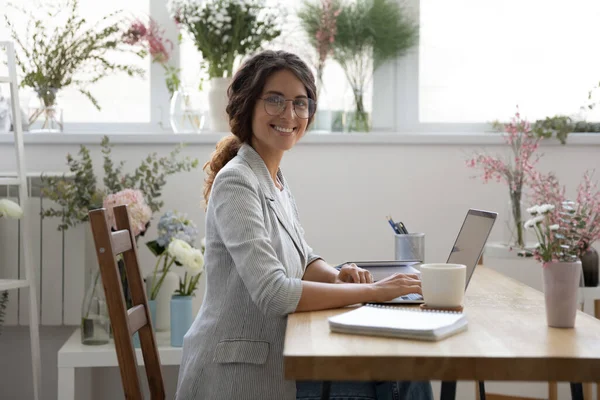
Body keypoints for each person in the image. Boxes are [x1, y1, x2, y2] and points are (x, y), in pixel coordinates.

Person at [175, 50, 433, 400]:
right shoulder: (236, 181)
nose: (289, 114)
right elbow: (275, 292)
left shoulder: (272, 177)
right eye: (275, 100)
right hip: (238, 375)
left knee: (404, 370)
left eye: (300, 103)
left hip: (276, 358)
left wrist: (336, 275)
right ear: (248, 105)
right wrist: (374, 292)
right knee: (400, 377)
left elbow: (304, 257)